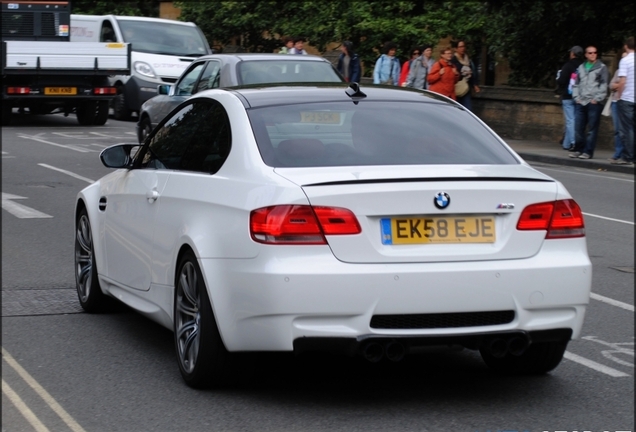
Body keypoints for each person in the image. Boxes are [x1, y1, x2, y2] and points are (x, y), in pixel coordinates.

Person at [569, 45, 609, 159]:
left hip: (593, 102)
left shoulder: (602, 67)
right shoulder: (581, 67)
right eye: (590, 53)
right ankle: (578, 149)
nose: (593, 55)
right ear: (586, 55)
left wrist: (597, 99)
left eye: (595, 52)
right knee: (578, 128)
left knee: (592, 129)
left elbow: (604, 85)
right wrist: (576, 97)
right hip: (581, 101)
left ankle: (588, 151)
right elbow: (576, 83)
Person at [610, 36, 634, 165]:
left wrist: (619, 95)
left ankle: (628, 157)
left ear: (626, 46)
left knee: (627, 129)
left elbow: (622, 81)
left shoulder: (625, 60)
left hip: (627, 98)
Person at [556, 46, 584, 150]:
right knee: (574, 120)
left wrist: (558, 79)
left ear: (573, 54)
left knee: (570, 120)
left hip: (568, 95)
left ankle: (573, 142)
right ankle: (566, 144)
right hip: (580, 96)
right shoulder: (583, 66)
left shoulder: (568, 65)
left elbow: (561, 80)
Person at [450, 39, 480, 110]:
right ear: (456, 49)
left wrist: (474, 85)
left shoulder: (468, 60)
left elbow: (472, 72)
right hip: (457, 88)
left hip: (466, 88)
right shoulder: (453, 60)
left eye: (463, 46)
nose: (462, 48)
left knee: (467, 109)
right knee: (457, 109)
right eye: (460, 47)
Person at [607, 51, 626, 162]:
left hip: (627, 102)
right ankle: (618, 153)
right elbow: (611, 85)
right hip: (615, 102)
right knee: (617, 129)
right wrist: (619, 85)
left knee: (627, 130)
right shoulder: (618, 72)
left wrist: (617, 85)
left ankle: (628, 154)